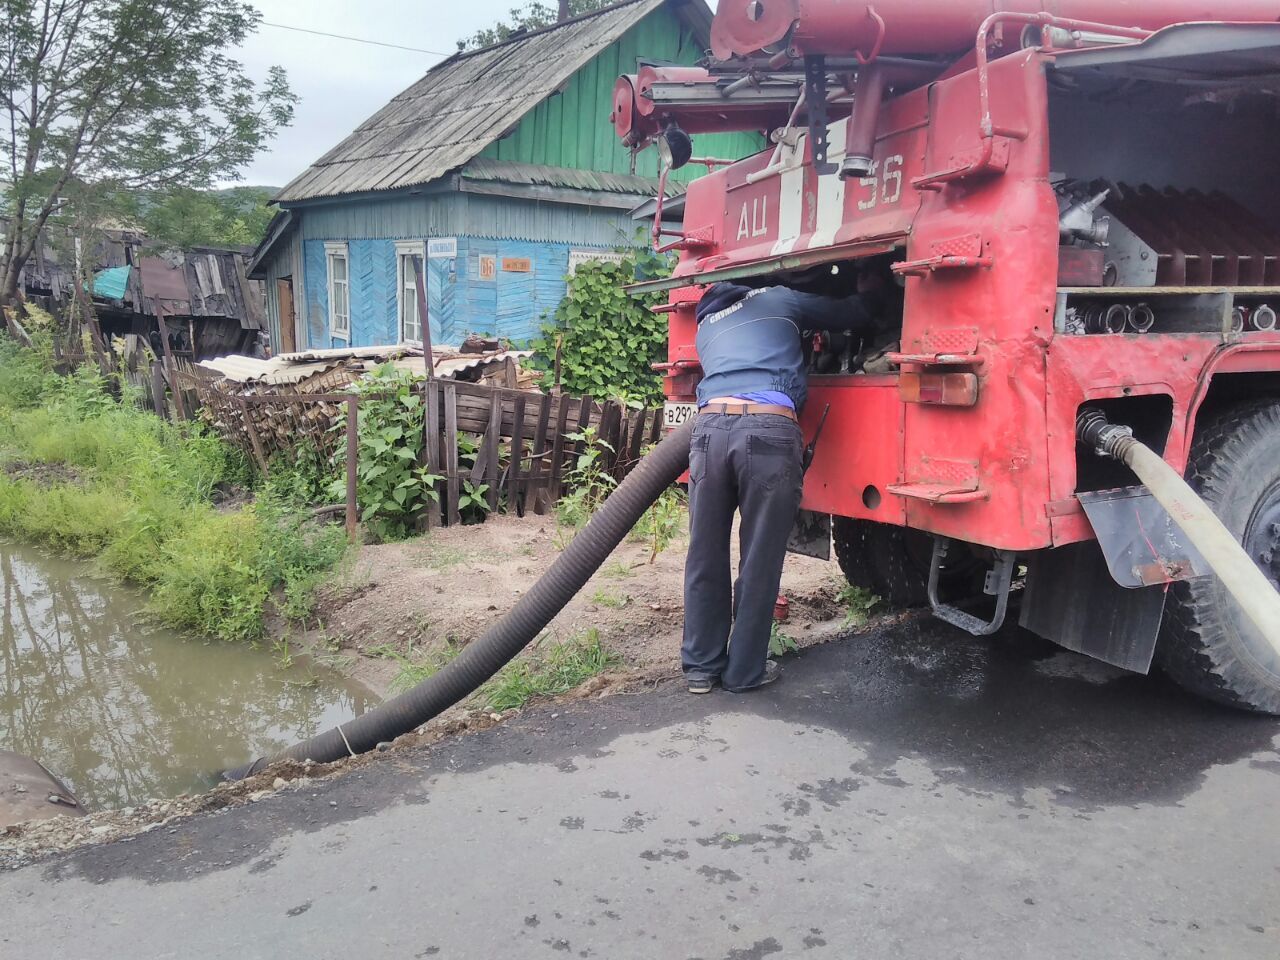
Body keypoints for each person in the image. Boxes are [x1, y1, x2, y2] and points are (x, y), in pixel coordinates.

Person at [683, 279, 881, 694]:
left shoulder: (705, 325)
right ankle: (743, 672)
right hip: (767, 430)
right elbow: (852, 313)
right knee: (759, 556)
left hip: (708, 431)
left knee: (704, 553)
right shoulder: (778, 297)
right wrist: (873, 287)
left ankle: (701, 668)